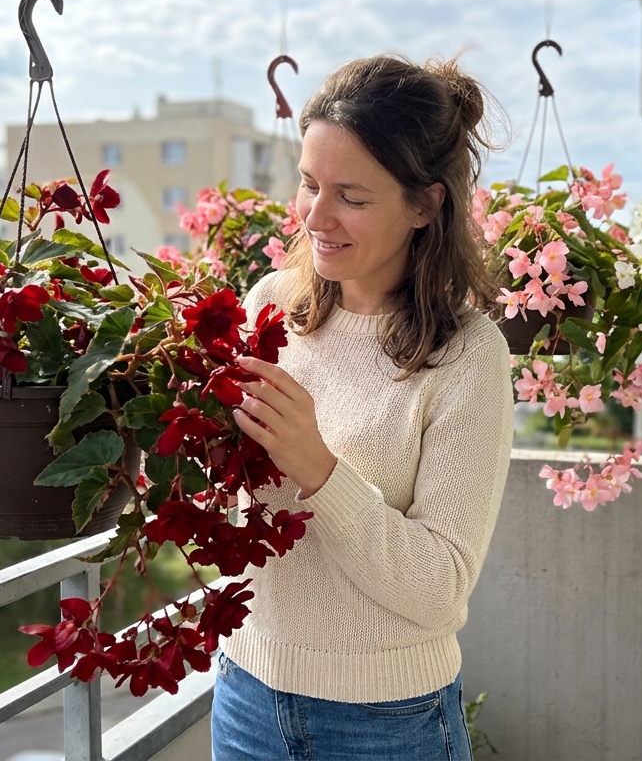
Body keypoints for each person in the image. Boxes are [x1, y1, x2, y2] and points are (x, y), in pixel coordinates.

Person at [210, 54, 515, 760]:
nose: (315, 217)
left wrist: (319, 471)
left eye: (350, 195)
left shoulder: (469, 356)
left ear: (424, 205)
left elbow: (441, 590)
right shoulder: (269, 306)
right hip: (246, 696)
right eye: (309, 184)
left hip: (387, 724)